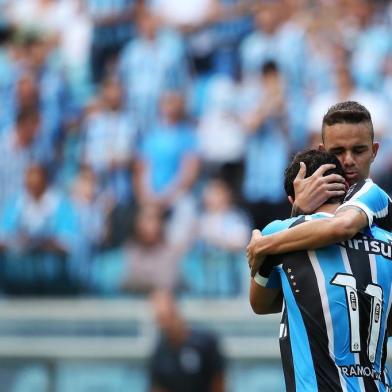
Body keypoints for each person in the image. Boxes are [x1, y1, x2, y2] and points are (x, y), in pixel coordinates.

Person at [250, 149, 392, 391]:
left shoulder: (278, 233)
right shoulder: (387, 240)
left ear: (292, 200)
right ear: (344, 188)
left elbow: (259, 304)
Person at [247, 101, 392, 275]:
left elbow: (342, 227)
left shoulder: (373, 195)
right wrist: (299, 214)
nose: (348, 160)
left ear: (374, 152)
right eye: (338, 151)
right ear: (323, 152)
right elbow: (266, 301)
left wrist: (264, 244)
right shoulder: (313, 214)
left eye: (358, 150)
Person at [149, 290, 225, 392]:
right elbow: (158, 387)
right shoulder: (159, 353)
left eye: (168, 316)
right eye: (161, 318)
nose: (166, 323)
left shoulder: (205, 343)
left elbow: (218, 382)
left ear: (175, 309)